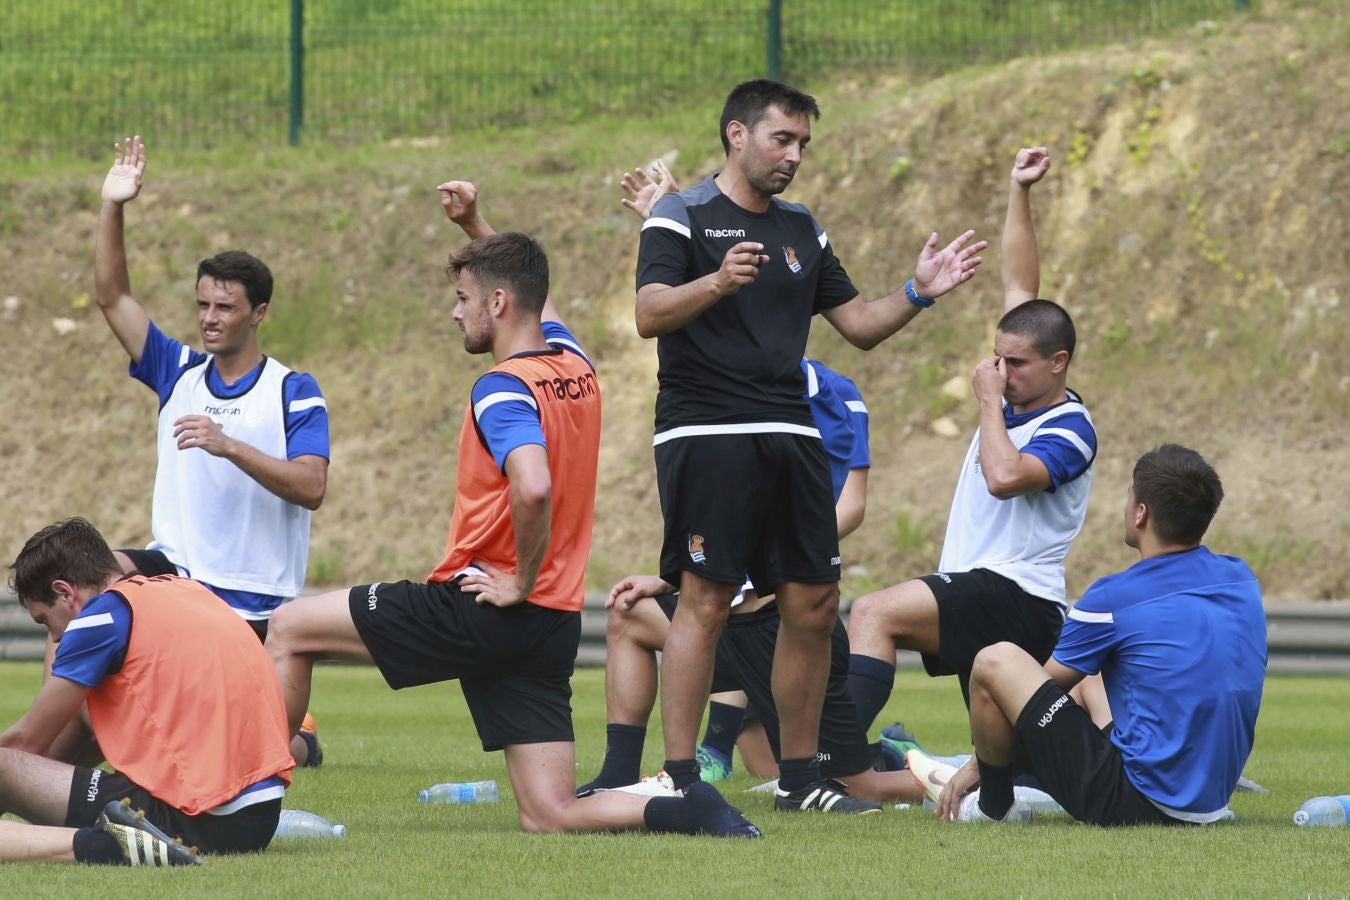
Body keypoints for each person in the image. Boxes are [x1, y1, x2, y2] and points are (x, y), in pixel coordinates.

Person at [264, 181, 760, 838]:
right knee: (549, 815)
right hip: (547, 621)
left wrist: (517, 578)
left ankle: (246, 797)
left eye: (463, 299)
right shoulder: (576, 364)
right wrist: (475, 224)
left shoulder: (501, 390)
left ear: (497, 303)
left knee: (291, 628)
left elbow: (532, 486)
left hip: (480, 604)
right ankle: (682, 807)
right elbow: (534, 294)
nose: (454, 313)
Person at [635, 78, 986, 812]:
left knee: (816, 602)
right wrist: (715, 283)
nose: (793, 156)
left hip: (792, 436)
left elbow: (857, 323)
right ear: (737, 134)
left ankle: (801, 781)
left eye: (802, 144)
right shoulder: (681, 214)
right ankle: (680, 777)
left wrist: (919, 292)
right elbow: (648, 313)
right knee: (703, 598)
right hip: (708, 432)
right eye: (781, 139)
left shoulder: (802, 228)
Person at [92, 135, 329, 767]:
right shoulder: (176, 371)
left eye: (225, 306)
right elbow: (113, 297)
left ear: (260, 314)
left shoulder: (293, 392)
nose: (209, 318)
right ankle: (70, 739)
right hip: (177, 574)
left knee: (245, 756)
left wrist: (229, 446)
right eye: (202, 304)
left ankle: (298, 736)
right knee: (87, 575)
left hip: (253, 599)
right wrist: (112, 206)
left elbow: (311, 486)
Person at [845, 147, 1097, 734]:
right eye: (998, 358)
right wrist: (1020, 189)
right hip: (984, 588)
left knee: (872, 612)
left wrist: (987, 399)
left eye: (1017, 363)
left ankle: (825, 766)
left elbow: (1006, 479)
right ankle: (867, 767)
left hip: (1018, 595)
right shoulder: (1018, 390)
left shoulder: (1069, 427)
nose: (1002, 371)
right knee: (1010, 766)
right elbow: (1020, 281)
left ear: (1059, 363)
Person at [911, 445, 1266, 825]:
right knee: (1088, 675)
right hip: (1212, 802)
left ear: (1141, 513)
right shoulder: (1241, 578)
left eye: (1130, 496)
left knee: (993, 662)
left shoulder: (1113, 597)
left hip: (1140, 803)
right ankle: (1011, 779)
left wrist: (977, 764)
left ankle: (992, 807)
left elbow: (1032, 691)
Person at [0, 517, 296, 864]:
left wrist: (20, 777)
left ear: (65, 592)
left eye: (45, 620)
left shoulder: (100, 618)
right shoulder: (183, 590)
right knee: (85, 709)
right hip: (258, 817)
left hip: (200, 818)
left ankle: (117, 843)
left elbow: (24, 745)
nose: (54, 638)